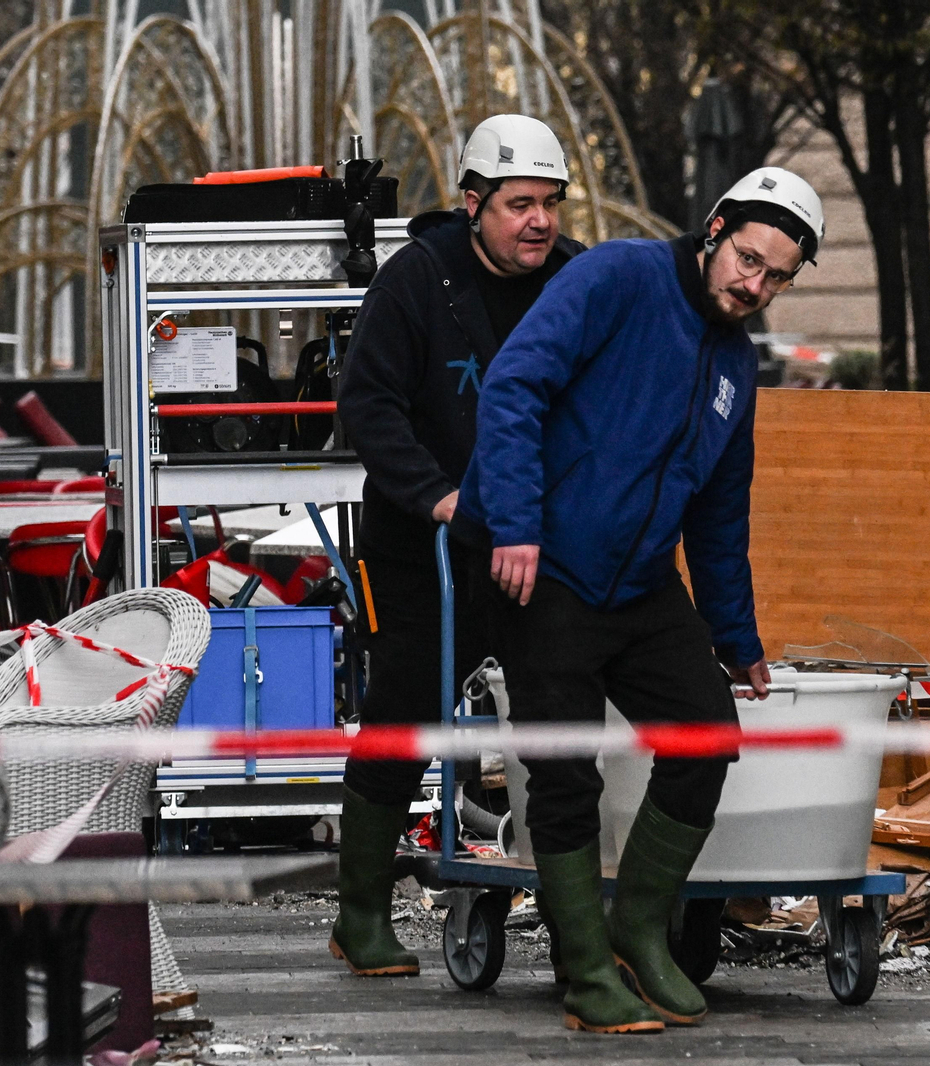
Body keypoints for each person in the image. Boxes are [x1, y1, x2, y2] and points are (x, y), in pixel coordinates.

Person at [454, 167, 825, 1032]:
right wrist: (514, 524)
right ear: (716, 228)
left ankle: (636, 930)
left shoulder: (735, 364)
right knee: (564, 772)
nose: (753, 284)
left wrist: (739, 638)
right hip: (539, 568)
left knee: (706, 734)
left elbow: (719, 513)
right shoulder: (616, 277)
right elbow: (513, 388)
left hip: (641, 584)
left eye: (776, 276)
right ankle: (586, 972)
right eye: (747, 259)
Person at [329, 114, 583, 977]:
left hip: (537, 542)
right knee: (405, 709)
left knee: (557, 712)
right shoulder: (415, 282)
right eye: (519, 205)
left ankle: (574, 902)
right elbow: (369, 406)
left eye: (550, 203)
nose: (538, 222)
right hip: (423, 542)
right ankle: (360, 910)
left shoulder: (576, 280)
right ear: (474, 204)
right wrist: (434, 496)